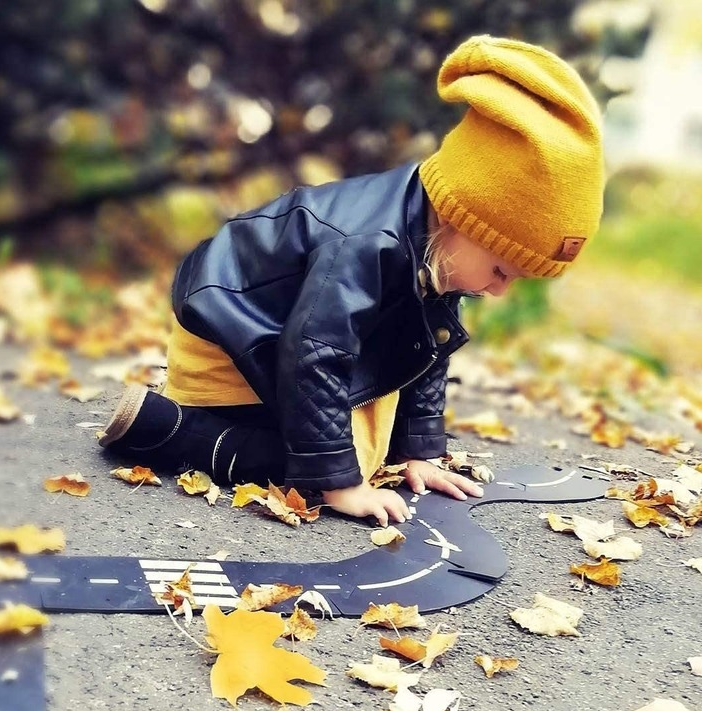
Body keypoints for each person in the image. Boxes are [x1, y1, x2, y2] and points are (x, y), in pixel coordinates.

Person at [99, 35, 605, 527]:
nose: (499, 290)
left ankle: (284, 440)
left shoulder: (434, 242)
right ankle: (169, 429)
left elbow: (422, 349)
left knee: (369, 443)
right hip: (229, 330)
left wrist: (418, 453)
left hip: (285, 325)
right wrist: (339, 483)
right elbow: (315, 352)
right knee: (344, 462)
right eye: (500, 270)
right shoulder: (366, 243)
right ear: (458, 219)